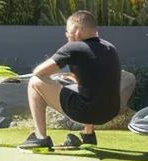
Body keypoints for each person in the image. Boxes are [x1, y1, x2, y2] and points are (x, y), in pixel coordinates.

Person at [19, 10, 122, 150]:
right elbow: (95, 79)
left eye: (67, 32)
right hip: (110, 112)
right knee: (79, 86)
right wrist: (68, 77)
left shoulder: (74, 47)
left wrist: (55, 75)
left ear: (77, 31)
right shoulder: (110, 48)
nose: (67, 35)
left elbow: (38, 72)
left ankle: (40, 138)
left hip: (86, 112)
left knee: (34, 82)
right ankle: (88, 135)